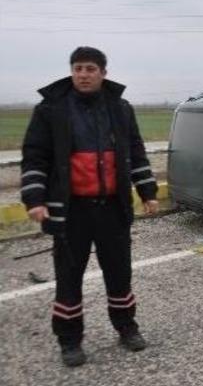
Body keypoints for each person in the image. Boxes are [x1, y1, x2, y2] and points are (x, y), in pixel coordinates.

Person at [20, 46, 159, 367]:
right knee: (69, 277)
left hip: (112, 208)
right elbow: (35, 157)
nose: (83, 74)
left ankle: (126, 328)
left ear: (103, 73)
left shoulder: (121, 109)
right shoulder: (50, 110)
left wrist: (148, 191)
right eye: (78, 68)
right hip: (71, 211)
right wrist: (35, 199)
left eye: (90, 69)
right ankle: (69, 341)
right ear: (72, 71)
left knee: (119, 273)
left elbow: (136, 153)